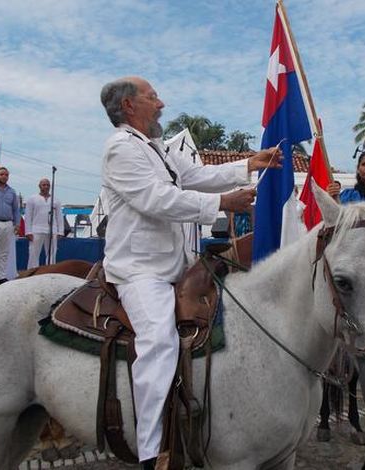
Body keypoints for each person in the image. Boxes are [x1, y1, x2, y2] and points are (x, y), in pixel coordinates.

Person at [99, 75, 282, 468]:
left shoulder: (159, 149)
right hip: (140, 271)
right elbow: (156, 199)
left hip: (176, 266)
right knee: (160, 341)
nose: (161, 103)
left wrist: (249, 164)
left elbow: (198, 175)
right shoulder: (120, 149)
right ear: (129, 106)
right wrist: (221, 203)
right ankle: (152, 451)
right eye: (152, 97)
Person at [24, 178, 64, 268]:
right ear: (39, 186)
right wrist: (28, 232)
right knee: (33, 253)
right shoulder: (32, 199)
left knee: (52, 253)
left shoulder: (55, 200)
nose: (46, 187)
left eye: (48, 185)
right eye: (44, 185)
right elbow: (28, 216)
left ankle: (49, 272)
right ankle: (32, 272)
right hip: (36, 229)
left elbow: (59, 217)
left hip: (52, 230)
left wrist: (60, 231)